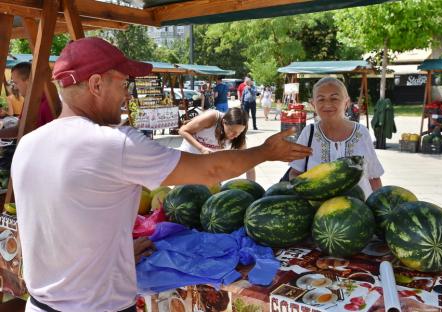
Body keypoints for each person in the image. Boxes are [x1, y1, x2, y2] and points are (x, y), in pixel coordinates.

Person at [11, 37, 311, 312]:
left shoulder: (28, 144)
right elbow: (212, 170)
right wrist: (266, 151)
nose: (126, 96)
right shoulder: (115, 144)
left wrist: (115, 251)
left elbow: (52, 226)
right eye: (124, 84)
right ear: (96, 84)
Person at [288, 77, 383, 198]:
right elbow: (295, 174)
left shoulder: (362, 133)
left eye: (334, 98)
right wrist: (312, 191)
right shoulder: (308, 133)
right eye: (321, 99)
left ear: (347, 103)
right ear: (313, 104)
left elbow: (374, 177)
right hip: (319, 211)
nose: (327, 104)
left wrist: (378, 206)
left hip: (360, 210)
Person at [179, 107, 255, 180]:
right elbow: (182, 130)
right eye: (232, 131)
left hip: (207, 165)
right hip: (189, 157)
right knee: (183, 188)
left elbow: (248, 164)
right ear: (223, 122)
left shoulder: (239, 136)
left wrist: (252, 186)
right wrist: (201, 148)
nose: (235, 135)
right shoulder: (212, 117)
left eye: (239, 132)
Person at [0, 62, 54, 139]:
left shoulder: (48, 104)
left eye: (16, 83)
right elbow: (19, 129)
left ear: (28, 81)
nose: (14, 87)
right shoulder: (29, 100)